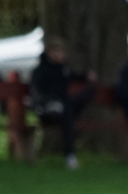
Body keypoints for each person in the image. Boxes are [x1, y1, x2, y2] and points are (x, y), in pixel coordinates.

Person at [30, 37, 96, 169]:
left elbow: (73, 76)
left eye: (62, 52)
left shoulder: (63, 68)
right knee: (67, 116)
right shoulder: (40, 71)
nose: (62, 55)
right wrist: (49, 103)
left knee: (83, 98)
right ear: (50, 52)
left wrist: (86, 76)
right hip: (48, 110)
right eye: (59, 52)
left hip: (64, 106)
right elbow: (37, 94)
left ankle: (70, 155)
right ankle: (70, 156)